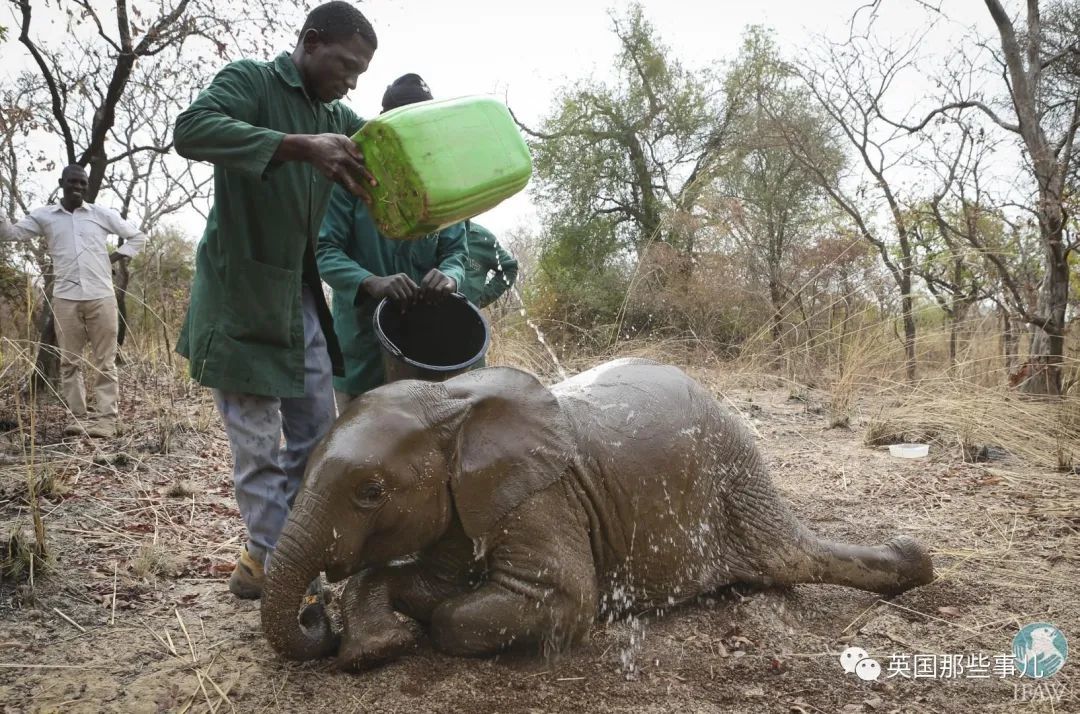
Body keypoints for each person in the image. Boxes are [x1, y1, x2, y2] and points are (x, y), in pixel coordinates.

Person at [173, 1, 378, 599]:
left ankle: (264, 553)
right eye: (345, 63)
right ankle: (293, 585)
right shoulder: (251, 81)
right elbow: (191, 130)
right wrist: (299, 146)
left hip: (301, 301)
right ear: (311, 43)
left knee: (318, 437)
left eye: (361, 71)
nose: (352, 80)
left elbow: (387, 150)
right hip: (240, 301)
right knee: (258, 449)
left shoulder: (340, 115)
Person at [318, 75, 468, 413]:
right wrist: (371, 282)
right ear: (385, 123)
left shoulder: (444, 182)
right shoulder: (352, 176)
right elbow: (325, 251)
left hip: (427, 353)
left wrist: (449, 276)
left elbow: (456, 252)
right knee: (361, 452)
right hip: (362, 351)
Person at [0, 165, 147, 438]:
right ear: (61, 183)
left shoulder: (101, 214)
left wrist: (112, 258)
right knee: (70, 362)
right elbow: (11, 234)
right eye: (72, 182)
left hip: (101, 296)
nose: (78, 187)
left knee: (106, 361)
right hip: (65, 299)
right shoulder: (45, 216)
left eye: (82, 183)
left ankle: (106, 420)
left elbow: (137, 236)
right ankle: (78, 419)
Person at [458, 220, 518, 309]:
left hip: (464, 314)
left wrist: (480, 299)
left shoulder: (483, 237)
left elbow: (510, 268)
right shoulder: (435, 231)